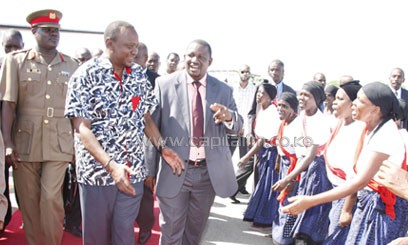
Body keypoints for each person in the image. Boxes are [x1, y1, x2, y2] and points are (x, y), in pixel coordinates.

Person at [65, 20, 183, 245]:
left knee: (124, 237)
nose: (135, 51)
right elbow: (81, 128)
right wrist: (111, 166)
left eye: (136, 46)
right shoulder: (85, 76)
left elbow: (146, 118)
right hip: (98, 176)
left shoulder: (138, 74)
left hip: (133, 174)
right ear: (110, 43)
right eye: (129, 46)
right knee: (98, 239)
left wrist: (163, 147)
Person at [282, 82, 408, 244]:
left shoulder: (385, 134)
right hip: (368, 203)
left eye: (361, 101)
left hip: (381, 211)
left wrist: (311, 201)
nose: (354, 103)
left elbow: (360, 181)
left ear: (376, 110)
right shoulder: (369, 128)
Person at [145, 39, 243, 244]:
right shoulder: (164, 85)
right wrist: (150, 170)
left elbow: (238, 125)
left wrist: (228, 117)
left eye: (201, 57)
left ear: (210, 61)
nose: (194, 60)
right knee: (171, 231)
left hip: (207, 175)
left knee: (194, 233)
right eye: (190, 55)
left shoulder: (223, 90)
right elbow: (151, 127)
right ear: (184, 57)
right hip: (175, 170)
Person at [0, 9, 79, 245]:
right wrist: (8, 144)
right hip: (25, 141)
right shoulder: (15, 61)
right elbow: (8, 105)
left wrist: (76, 144)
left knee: (50, 198)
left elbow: (76, 111)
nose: (54, 35)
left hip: (59, 141)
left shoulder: (72, 65)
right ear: (34, 31)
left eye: (56, 31)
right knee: (29, 201)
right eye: (47, 30)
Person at [272, 81, 332, 244]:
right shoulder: (302, 117)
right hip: (301, 168)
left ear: (317, 99)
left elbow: (310, 156)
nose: (302, 98)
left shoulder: (320, 122)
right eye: (301, 94)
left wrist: (287, 178)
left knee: (310, 217)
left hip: (316, 173)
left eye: (307, 95)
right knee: (296, 209)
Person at [322, 80, 364, 244]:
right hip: (336, 190)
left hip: (346, 195)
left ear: (353, 103)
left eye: (340, 99)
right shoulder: (340, 123)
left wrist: (347, 209)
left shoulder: (359, 130)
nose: (334, 102)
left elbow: (356, 175)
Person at [239, 83, 280, 226]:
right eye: (258, 92)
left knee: (268, 189)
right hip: (263, 153)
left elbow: (262, 141)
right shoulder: (262, 110)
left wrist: (246, 157)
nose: (259, 95)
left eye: (262, 93)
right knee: (261, 186)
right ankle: (259, 216)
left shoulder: (272, 112)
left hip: (271, 154)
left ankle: (267, 220)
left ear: (270, 97)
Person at [133, 41, 160, 244]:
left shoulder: (156, 82)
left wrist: (151, 165)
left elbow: (155, 123)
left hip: (145, 148)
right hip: (120, 150)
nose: (133, 59)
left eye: (138, 56)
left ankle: (144, 233)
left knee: (144, 197)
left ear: (145, 60)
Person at [0, 28, 24, 233]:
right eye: (8, 47)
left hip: (22, 139)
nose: (12, 51)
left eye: (16, 47)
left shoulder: (29, 69)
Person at [272, 92, 299, 245]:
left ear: (293, 109)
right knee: (281, 203)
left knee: (289, 203)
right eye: (279, 105)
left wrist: (291, 179)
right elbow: (280, 144)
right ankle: (278, 235)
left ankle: (286, 238)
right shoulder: (284, 122)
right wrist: (277, 161)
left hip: (293, 170)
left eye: (285, 106)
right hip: (284, 165)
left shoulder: (297, 126)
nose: (280, 109)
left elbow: (300, 156)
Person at [228, 64, 256, 204]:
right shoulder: (231, 88)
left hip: (247, 130)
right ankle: (225, 186)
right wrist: (234, 125)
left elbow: (253, 111)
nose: (245, 74)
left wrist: (246, 127)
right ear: (238, 72)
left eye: (247, 72)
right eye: (242, 71)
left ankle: (241, 187)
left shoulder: (254, 89)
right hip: (232, 128)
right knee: (227, 157)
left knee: (244, 158)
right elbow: (229, 107)